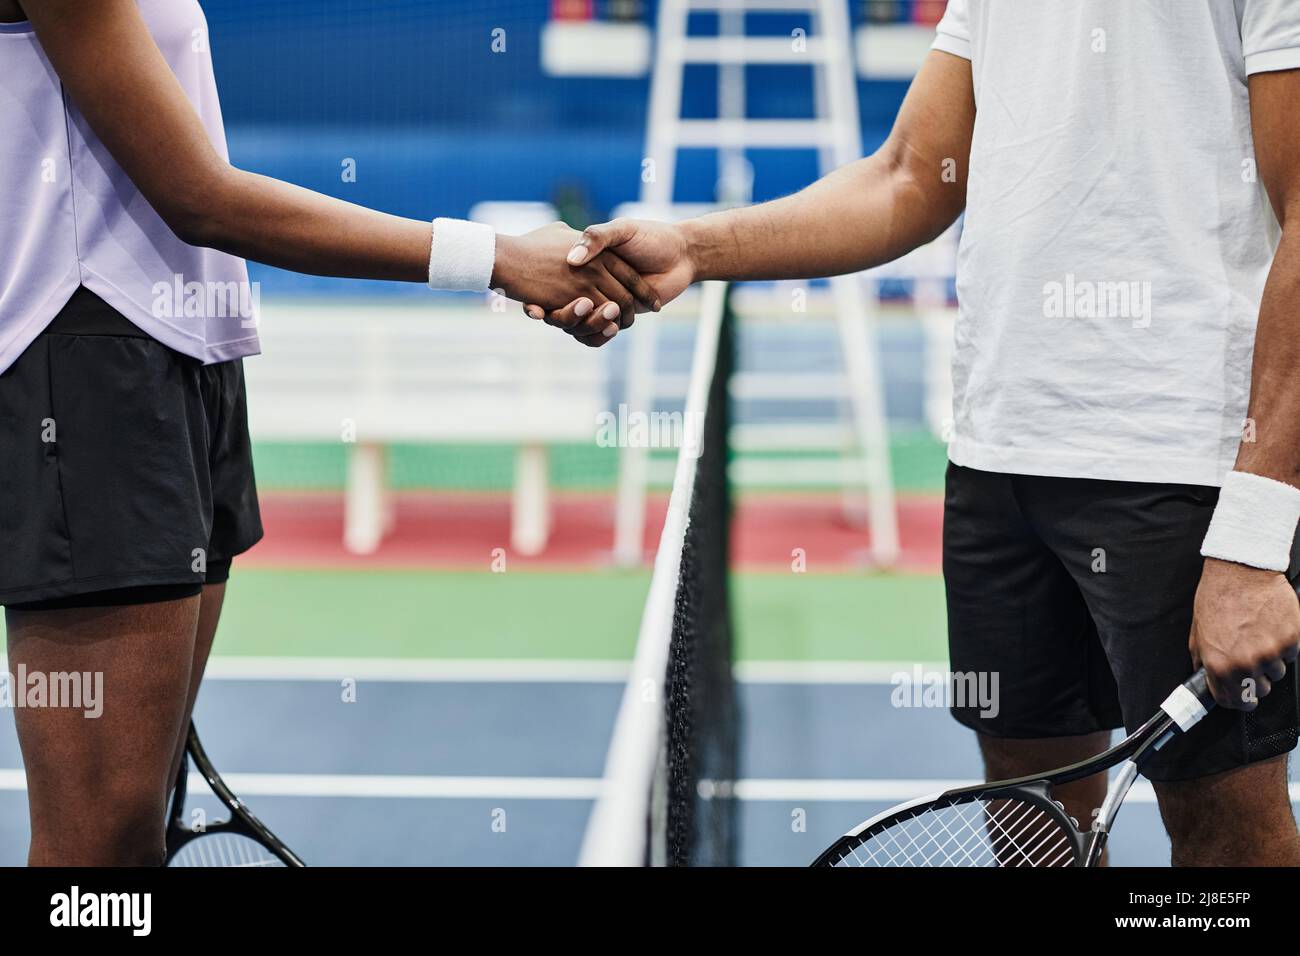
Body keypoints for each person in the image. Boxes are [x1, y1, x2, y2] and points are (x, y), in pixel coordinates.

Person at [541, 1, 1300, 865]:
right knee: (1029, 825)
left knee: (1223, 841)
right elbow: (908, 175)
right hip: (998, 457)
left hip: (1180, 465)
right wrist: (692, 247)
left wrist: (1252, 539)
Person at [0, 0, 657, 866]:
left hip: (185, 356)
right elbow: (199, 196)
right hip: (85, 379)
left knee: (137, 827)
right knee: (97, 841)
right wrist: (495, 259)